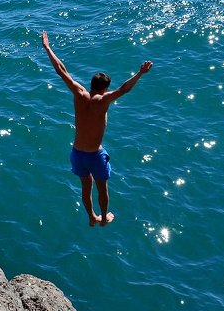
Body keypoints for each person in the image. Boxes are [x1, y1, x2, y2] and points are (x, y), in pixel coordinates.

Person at [41, 31, 152, 226]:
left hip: (77, 153)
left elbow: (61, 70)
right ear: (104, 89)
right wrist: (140, 73)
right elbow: (124, 89)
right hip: (94, 155)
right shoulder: (102, 100)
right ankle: (102, 218)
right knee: (102, 188)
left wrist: (48, 48)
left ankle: (91, 217)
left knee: (86, 186)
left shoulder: (79, 93)